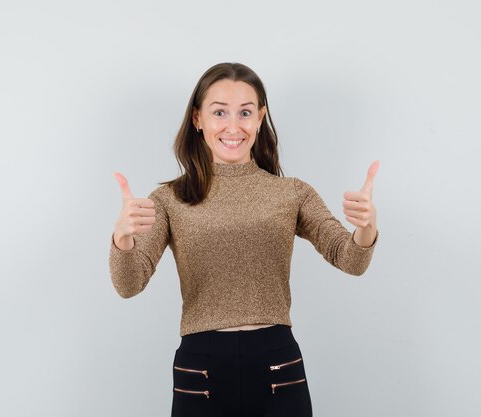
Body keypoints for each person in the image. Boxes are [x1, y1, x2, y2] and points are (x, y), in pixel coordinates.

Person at [109, 62, 380, 417]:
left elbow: (351, 260)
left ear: (260, 117)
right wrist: (122, 238)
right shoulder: (169, 199)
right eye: (219, 112)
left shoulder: (291, 193)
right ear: (197, 119)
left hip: (276, 364)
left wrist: (366, 228)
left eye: (245, 113)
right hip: (200, 364)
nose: (233, 126)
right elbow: (129, 285)